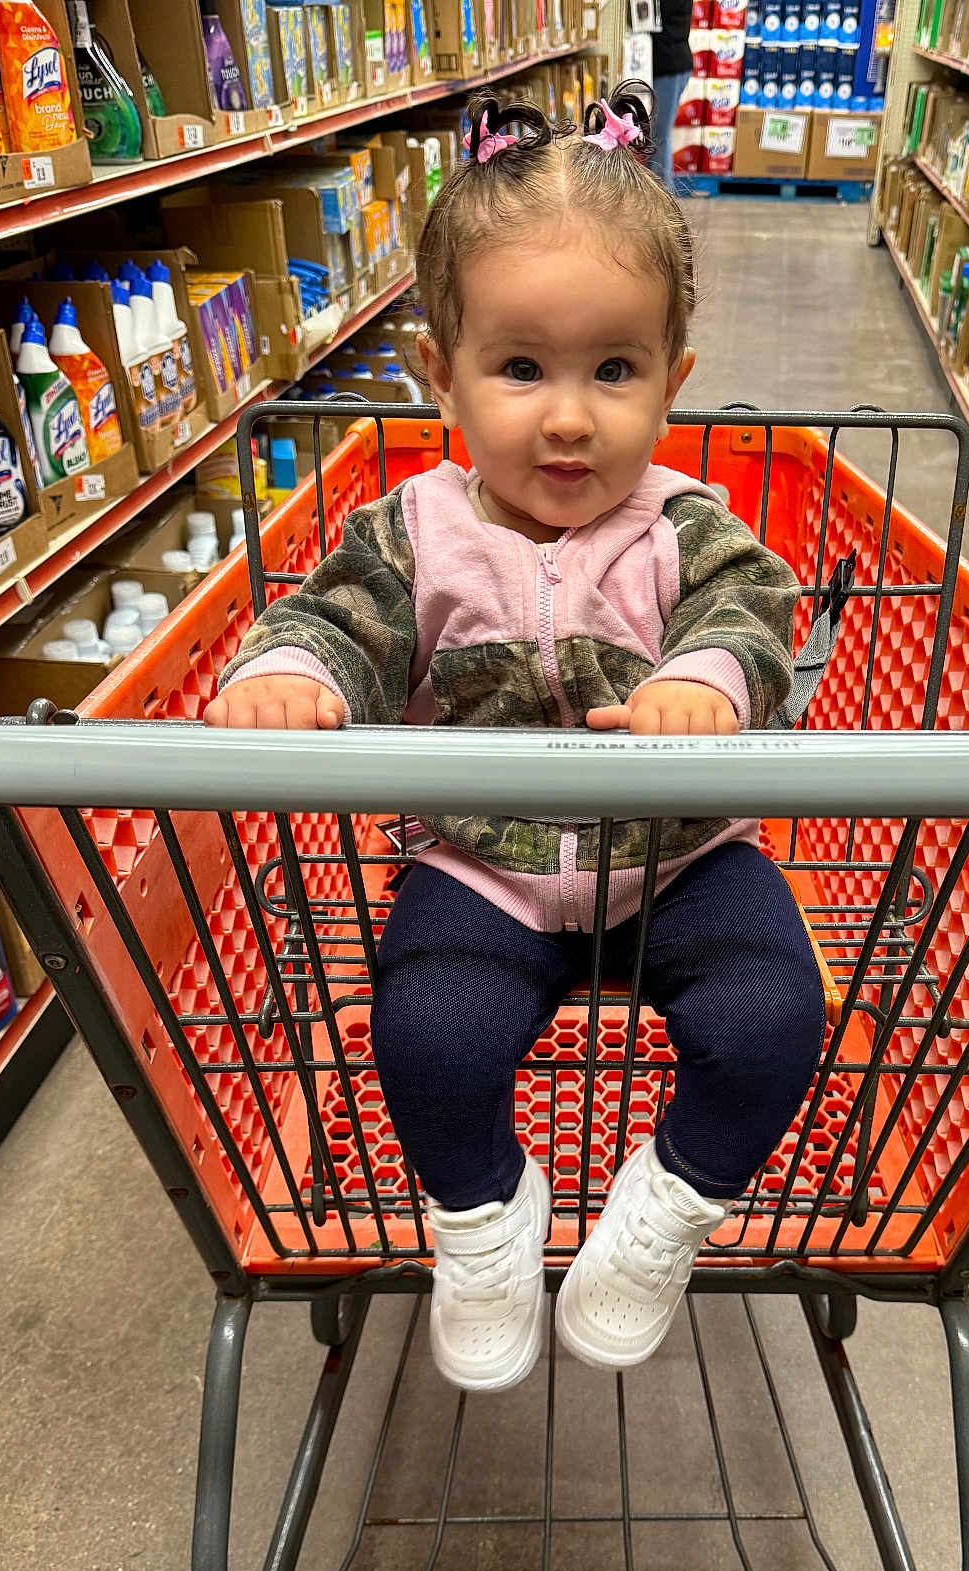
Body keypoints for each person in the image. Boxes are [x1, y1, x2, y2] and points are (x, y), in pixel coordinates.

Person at [203, 82, 825, 1395]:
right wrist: (291, 673)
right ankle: (484, 1216)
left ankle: (670, 1203)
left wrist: (706, 679)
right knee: (426, 1039)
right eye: (521, 368)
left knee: (776, 1018)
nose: (569, 417)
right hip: (483, 864)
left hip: (678, 856)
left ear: (674, 383)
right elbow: (336, 621)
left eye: (615, 370)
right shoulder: (409, 534)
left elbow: (754, 609)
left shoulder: (685, 527)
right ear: (443, 377)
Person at [650, 0, 694, 190]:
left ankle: (662, 195)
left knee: (659, 135)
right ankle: (654, 190)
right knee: (656, 134)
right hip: (669, 65)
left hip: (669, 67)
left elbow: (657, 14)